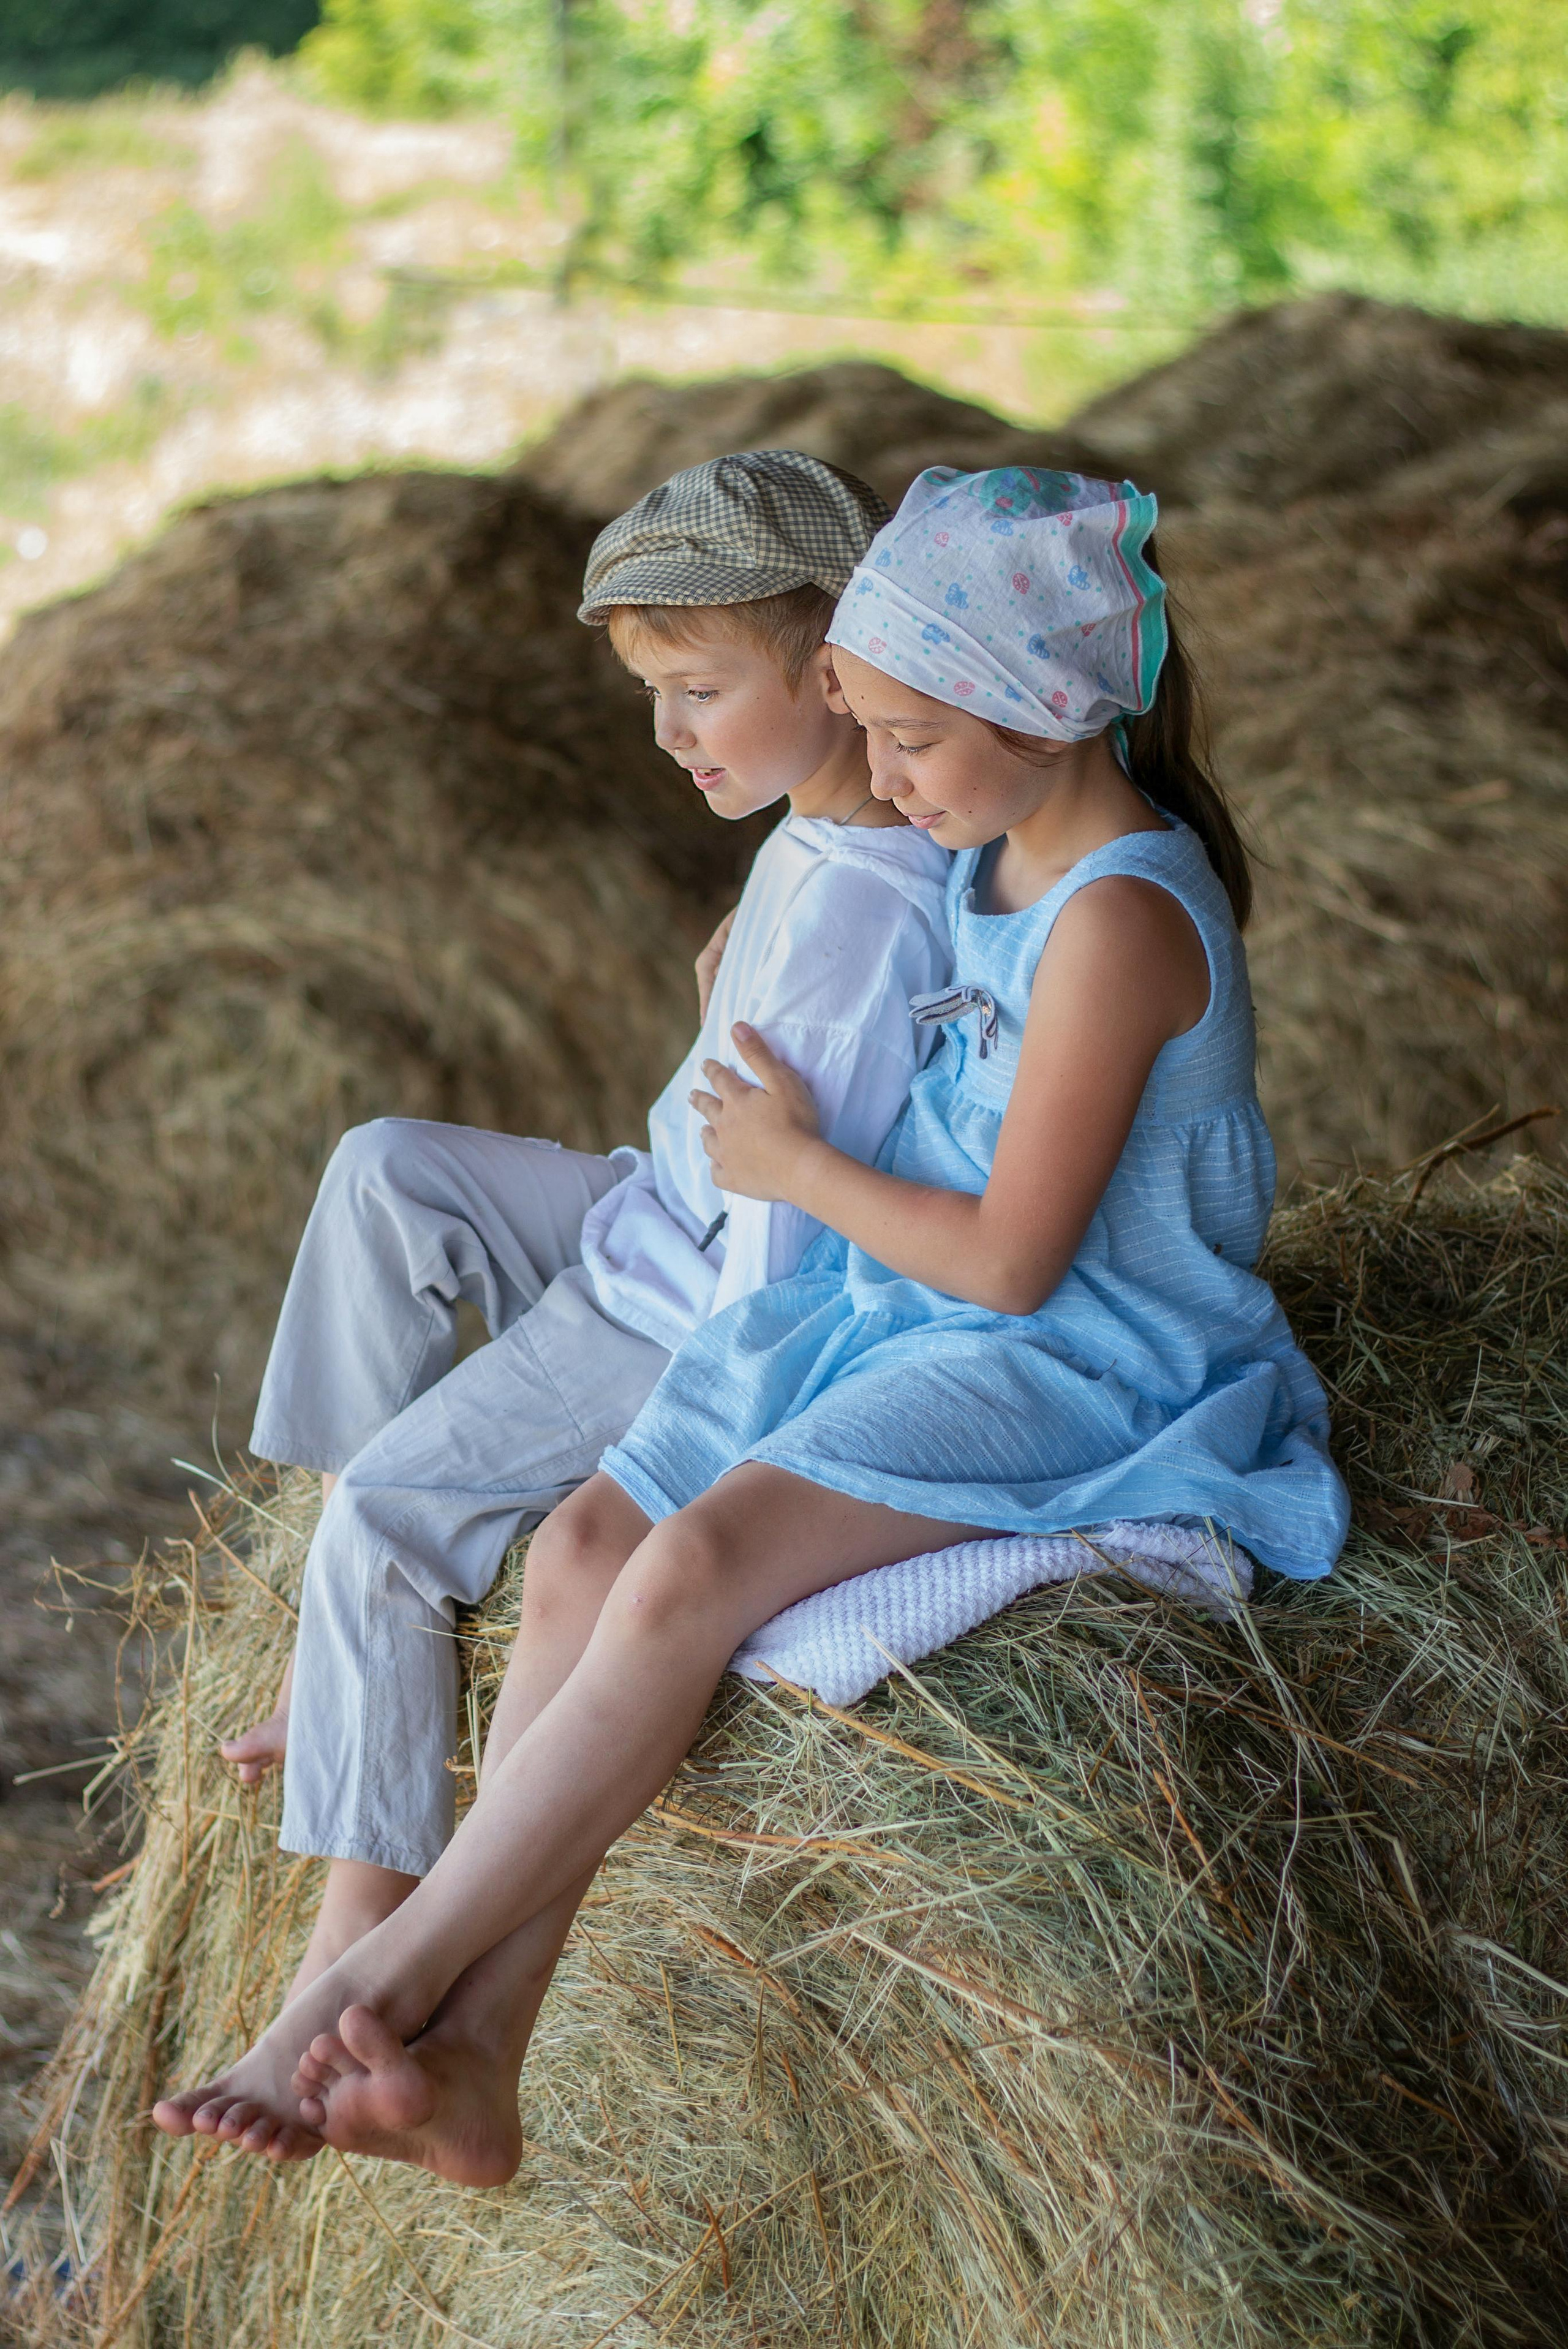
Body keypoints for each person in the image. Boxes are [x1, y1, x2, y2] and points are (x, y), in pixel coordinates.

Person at [154, 465, 1349, 2182]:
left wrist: (779, 1156)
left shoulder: (1121, 920)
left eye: (912, 739)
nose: (890, 776)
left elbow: (1019, 1265)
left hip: (1081, 1356)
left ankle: (380, 1974)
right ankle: (484, 2056)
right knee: (574, 1554)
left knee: (689, 1572)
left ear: (1044, 707)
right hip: (900, 1308)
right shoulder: (993, 854)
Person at [214, 450, 950, 2001]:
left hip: (679, 1305)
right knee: (385, 1168)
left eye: (695, 689)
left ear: (834, 668)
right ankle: (350, 1659)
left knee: (397, 1512)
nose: (666, 735)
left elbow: (782, 1248)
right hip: (646, 1207)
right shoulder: (811, 833)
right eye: (649, 694)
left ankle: (350, 1939)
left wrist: (714, 1451)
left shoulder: (857, 909)